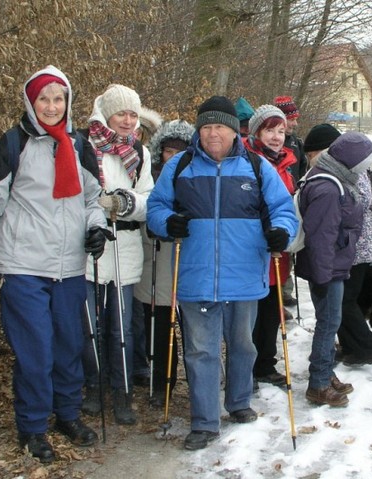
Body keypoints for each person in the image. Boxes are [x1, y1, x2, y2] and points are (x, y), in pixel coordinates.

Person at [0, 65, 106, 463]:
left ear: (68, 101)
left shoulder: (78, 145)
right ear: (30, 102)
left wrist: (96, 228)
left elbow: (93, 199)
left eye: (59, 98)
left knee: (69, 345)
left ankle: (67, 415)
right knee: (35, 349)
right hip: (23, 263)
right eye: (44, 98)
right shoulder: (13, 143)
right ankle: (34, 426)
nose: (52, 106)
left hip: (69, 265)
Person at [146, 96, 297, 450]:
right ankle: (204, 421)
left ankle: (239, 401)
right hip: (195, 275)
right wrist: (166, 223)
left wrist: (281, 232)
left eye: (221, 127)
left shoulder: (257, 168)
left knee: (243, 344)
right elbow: (156, 207)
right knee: (201, 350)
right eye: (207, 127)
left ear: (235, 131)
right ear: (199, 130)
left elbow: (284, 211)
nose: (213, 134)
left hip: (244, 273)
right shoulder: (180, 166)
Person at [80, 84, 154, 425]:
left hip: (124, 247)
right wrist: (96, 210)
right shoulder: (84, 145)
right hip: (89, 247)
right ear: (106, 114)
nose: (127, 120)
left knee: (121, 327)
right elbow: (76, 195)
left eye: (133, 114)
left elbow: (148, 201)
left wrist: (125, 203)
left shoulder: (139, 151)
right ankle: (94, 387)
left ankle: (122, 392)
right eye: (121, 113)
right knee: (91, 326)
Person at [296, 131, 372, 407]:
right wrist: (323, 277)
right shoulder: (329, 188)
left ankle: (325, 372)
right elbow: (321, 237)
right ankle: (318, 383)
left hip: (333, 266)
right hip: (327, 270)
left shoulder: (336, 178)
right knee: (328, 323)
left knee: (329, 322)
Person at [133, 119, 195, 407]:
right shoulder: (149, 176)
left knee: (187, 325)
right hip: (154, 261)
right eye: (169, 151)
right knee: (156, 326)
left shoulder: (196, 177)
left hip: (186, 262)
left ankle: (186, 380)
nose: (174, 156)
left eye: (180, 151)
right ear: (160, 152)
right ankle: (160, 382)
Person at [243, 104, 298, 387]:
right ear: (256, 132)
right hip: (250, 250)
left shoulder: (287, 162)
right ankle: (245, 367)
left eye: (281, 131)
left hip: (278, 252)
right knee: (247, 314)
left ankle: (265, 363)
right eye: (270, 130)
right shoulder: (244, 160)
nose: (277, 137)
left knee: (270, 312)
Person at [132, 106, 163, 388]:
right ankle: (133, 361)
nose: (135, 133)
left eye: (140, 130)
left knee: (143, 307)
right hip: (131, 241)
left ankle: (141, 362)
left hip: (150, 244)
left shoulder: (147, 161)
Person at [274, 95, 306, 308]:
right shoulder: (272, 142)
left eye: (295, 118)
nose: (295, 123)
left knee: (289, 246)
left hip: (292, 199)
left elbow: (303, 169)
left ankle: (285, 290)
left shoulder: (296, 143)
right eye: (291, 118)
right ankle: (275, 292)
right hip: (275, 201)